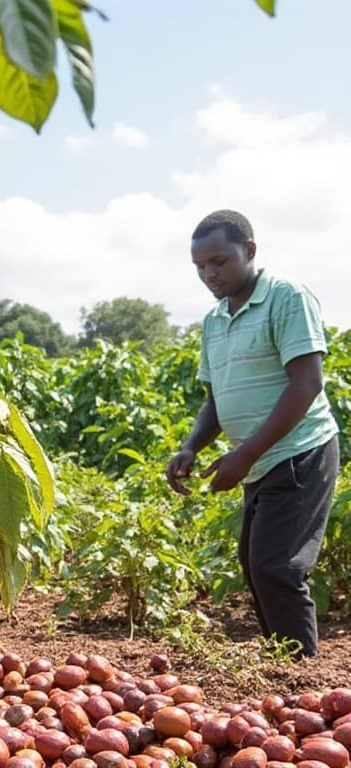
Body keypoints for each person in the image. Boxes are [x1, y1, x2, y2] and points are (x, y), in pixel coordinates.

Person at [165, 209, 339, 658]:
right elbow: (216, 401)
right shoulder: (214, 320)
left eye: (219, 261)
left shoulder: (286, 297)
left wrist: (245, 454)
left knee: (277, 567)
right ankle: (285, 668)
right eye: (200, 266)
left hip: (300, 451)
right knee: (255, 565)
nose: (209, 274)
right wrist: (190, 446)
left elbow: (307, 384)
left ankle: (303, 681)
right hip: (259, 460)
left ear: (250, 251)